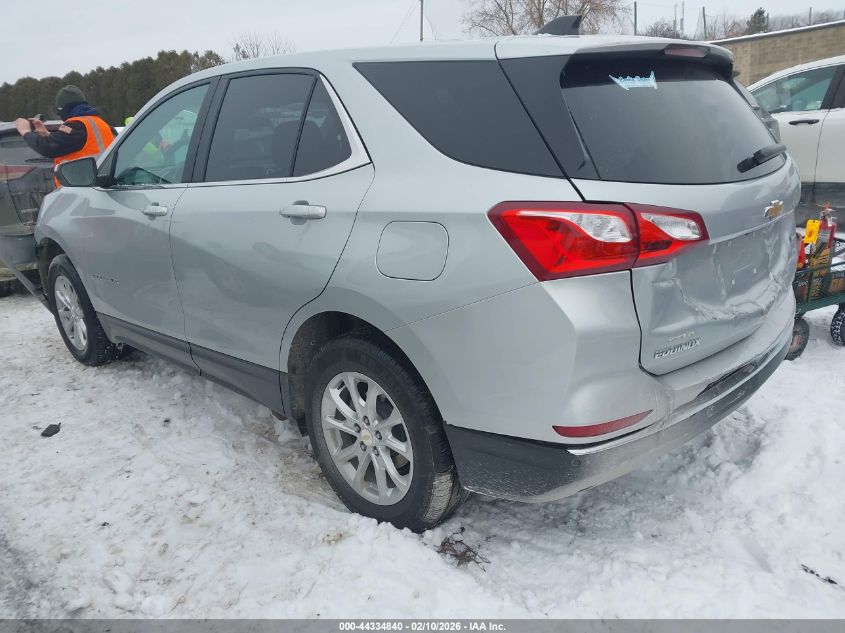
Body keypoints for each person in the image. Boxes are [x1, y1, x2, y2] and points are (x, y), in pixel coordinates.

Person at [14, 85, 115, 183]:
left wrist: (25, 131)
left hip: (82, 188)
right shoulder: (101, 124)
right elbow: (75, 143)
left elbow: (48, 147)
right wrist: (47, 134)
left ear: (64, 109)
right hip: (101, 184)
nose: (59, 115)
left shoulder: (77, 126)